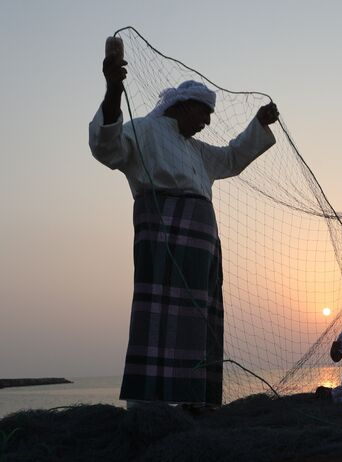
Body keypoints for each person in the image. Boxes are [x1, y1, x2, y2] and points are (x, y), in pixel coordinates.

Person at [88, 38, 280, 409]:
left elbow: (232, 158)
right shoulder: (144, 129)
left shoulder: (197, 151)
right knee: (159, 314)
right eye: (203, 115)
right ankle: (148, 407)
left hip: (202, 244)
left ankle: (196, 403)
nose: (207, 123)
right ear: (184, 106)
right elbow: (106, 146)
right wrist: (113, 88)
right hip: (164, 236)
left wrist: (258, 122)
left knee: (199, 317)